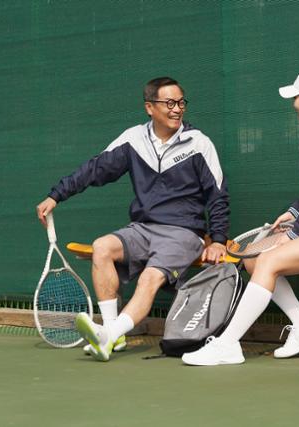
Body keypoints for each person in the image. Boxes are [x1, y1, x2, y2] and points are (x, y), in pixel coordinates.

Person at [182, 66, 299, 366]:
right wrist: (292, 213)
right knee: (252, 260)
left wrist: (293, 234)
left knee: (269, 260)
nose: (293, 103)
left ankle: (228, 344)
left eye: (296, 97)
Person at [35, 77, 229, 362]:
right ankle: (116, 337)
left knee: (150, 278)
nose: (177, 109)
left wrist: (220, 239)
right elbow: (94, 169)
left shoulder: (199, 143)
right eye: (169, 103)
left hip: (184, 233)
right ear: (150, 107)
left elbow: (219, 194)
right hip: (142, 228)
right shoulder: (133, 140)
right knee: (102, 247)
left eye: (181, 103)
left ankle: (108, 335)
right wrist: (56, 196)